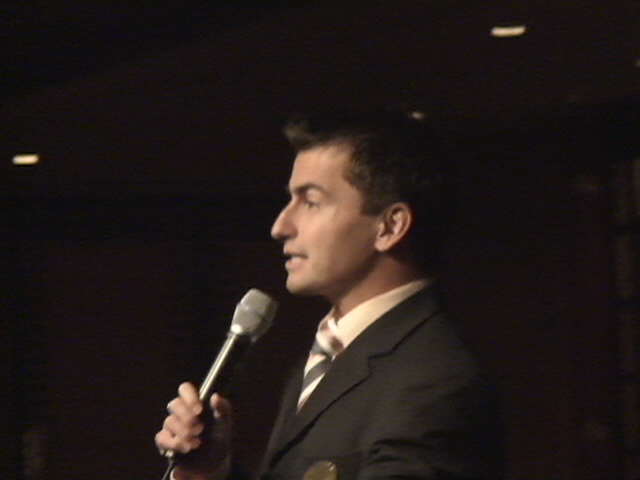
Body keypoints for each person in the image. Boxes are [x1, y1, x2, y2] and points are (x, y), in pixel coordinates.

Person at [155, 109, 504, 480]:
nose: (280, 226)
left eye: (311, 202)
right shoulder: (336, 353)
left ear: (390, 226)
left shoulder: (433, 380)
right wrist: (210, 472)